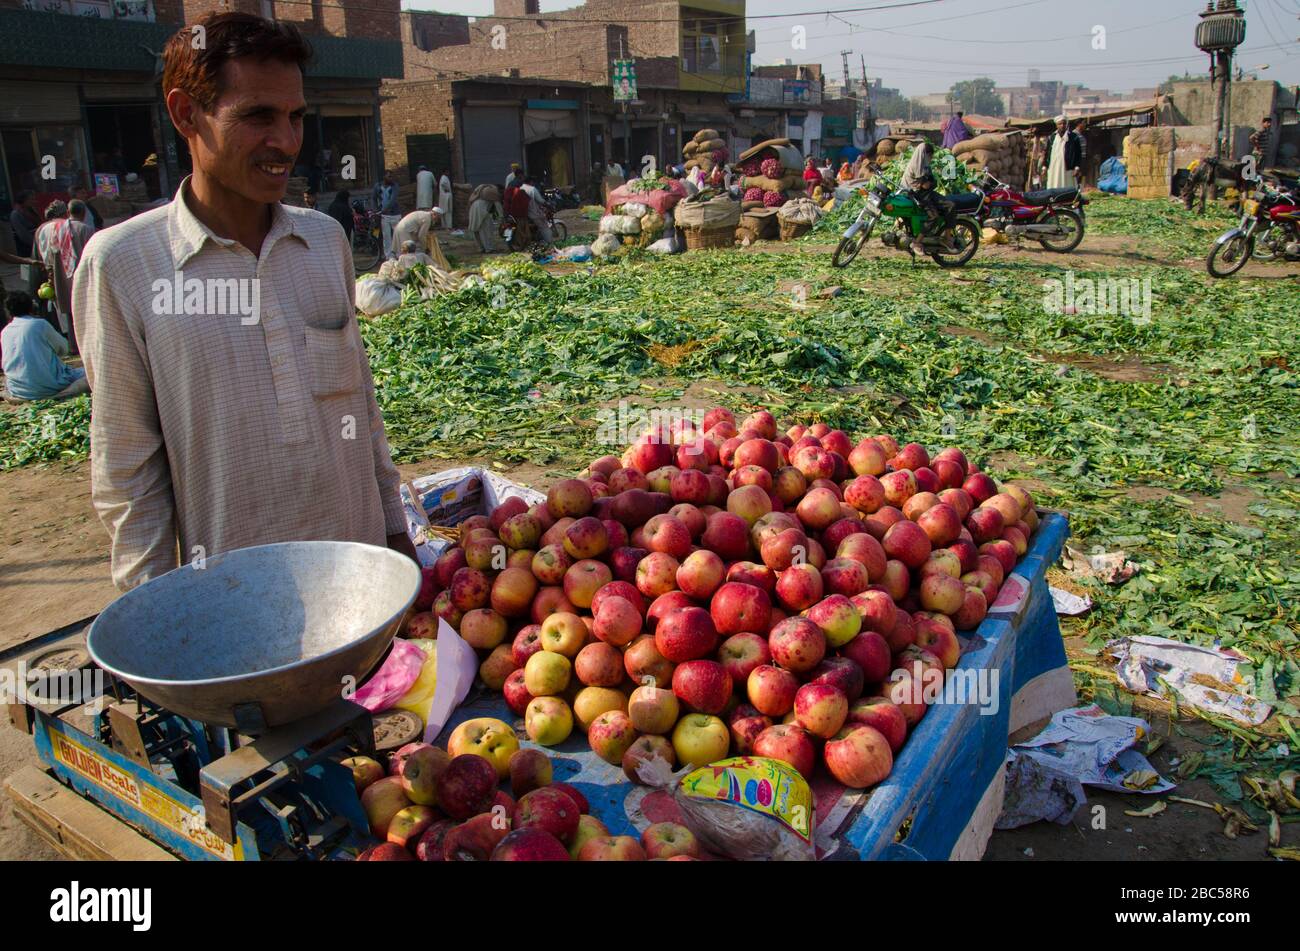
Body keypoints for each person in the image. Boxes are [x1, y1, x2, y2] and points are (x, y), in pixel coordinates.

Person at [72, 12, 416, 591]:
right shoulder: (123, 265)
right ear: (186, 114)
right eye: (258, 116)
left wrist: (393, 527)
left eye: (295, 117)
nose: (285, 142)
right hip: (234, 602)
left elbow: (361, 406)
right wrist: (155, 612)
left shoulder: (323, 242)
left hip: (360, 586)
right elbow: (129, 475)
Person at [2, 290, 89, 401]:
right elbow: (64, 349)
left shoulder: (5, 331)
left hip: (18, 390)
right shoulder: (39, 324)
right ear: (30, 307)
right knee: (89, 372)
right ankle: (58, 394)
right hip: (47, 387)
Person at [36, 201, 91, 351]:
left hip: (53, 273)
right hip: (76, 272)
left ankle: (72, 343)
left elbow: (39, 256)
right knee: (82, 309)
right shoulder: (79, 227)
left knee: (64, 311)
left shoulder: (41, 229)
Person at [900, 142, 950, 254]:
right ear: (925, 154)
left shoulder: (923, 164)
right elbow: (925, 185)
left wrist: (931, 183)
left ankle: (947, 237)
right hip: (917, 195)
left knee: (950, 205)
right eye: (930, 156)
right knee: (934, 216)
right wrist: (931, 183)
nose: (931, 159)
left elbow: (929, 183)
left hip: (925, 193)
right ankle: (917, 242)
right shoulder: (917, 166)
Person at [1041, 114, 1082, 190]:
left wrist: (1077, 167)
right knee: (1054, 187)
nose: (1062, 125)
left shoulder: (1073, 137)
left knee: (1068, 188)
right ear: (1056, 125)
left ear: (1066, 125)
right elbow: (1047, 153)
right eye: (1060, 124)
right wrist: (1044, 167)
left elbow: (1078, 154)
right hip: (1054, 168)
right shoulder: (1052, 137)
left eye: (1064, 123)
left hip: (1067, 169)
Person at [466, 184, 501, 253]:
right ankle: (489, 249)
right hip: (481, 211)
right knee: (486, 230)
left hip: (474, 209)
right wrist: (501, 217)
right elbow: (498, 208)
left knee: (476, 230)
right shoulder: (493, 192)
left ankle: (481, 248)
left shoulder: (483, 189)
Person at [520, 176, 552, 244]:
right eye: (533, 182)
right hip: (533, 212)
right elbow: (540, 200)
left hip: (523, 213)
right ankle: (549, 243)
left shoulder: (520, 188)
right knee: (544, 226)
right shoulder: (532, 189)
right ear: (531, 182)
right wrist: (547, 204)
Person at [8, 191, 40, 259]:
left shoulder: (31, 210)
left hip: (37, 241)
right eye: (31, 199)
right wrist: (36, 244)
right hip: (26, 248)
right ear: (23, 200)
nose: (34, 201)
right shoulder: (15, 214)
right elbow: (23, 234)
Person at [378, 173, 400, 257]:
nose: (391, 178)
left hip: (395, 214)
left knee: (397, 234)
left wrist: (384, 210)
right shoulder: (378, 186)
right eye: (389, 176)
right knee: (386, 236)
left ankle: (398, 254)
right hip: (384, 216)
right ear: (384, 177)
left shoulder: (395, 186)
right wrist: (376, 209)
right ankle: (389, 256)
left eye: (392, 176)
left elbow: (393, 199)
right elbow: (373, 197)